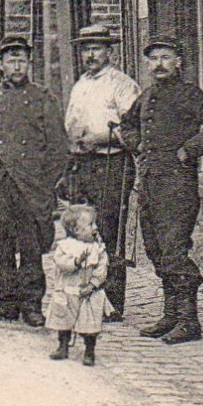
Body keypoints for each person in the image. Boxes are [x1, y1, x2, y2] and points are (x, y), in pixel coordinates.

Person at [117, 37, 203, 344]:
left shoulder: (190, 95)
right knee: (156, 250)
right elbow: (127, 125)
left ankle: (189, 320)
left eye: (165, 57)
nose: (158, 64)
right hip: (149, 183)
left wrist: (189, 150)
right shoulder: (146, 97)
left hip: (177, 185)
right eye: (153, 58)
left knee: (174, 250)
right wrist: (137, 143)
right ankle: (171, 315)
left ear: (178, 62)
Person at [0, 35, 66, 327]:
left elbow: (57, 147)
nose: (17, 65)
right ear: (1, 65)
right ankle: (5, 302)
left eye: (22, 60)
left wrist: (45, 182)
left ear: (29, 64)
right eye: (11, 60)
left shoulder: (43, 98)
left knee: (31, 247)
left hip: (30, 185)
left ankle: (31, 305)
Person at [62, 23, 141, 320]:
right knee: (81, 230)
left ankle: (112, 303)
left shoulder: (122, 85)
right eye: (86, 48)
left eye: (96, 48)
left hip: (112, 164)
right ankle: (87, 295)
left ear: (110, 51)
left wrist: (102, 137)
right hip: (83, 164)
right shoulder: (80, 84)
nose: (91, 54)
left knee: (109, 232)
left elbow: (135, 129)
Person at [47, 203, 109, 366]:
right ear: (76, 231)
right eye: (90, 224)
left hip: (89, 293)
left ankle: (89, 351)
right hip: (68, 291)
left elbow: (102, 269)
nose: (95, 227)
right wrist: (75, 261)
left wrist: (93, 284)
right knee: (64, 320)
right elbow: (61, 263)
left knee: (90, 324)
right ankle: (62, 346)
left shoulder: (98, 248)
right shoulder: (65, 246)